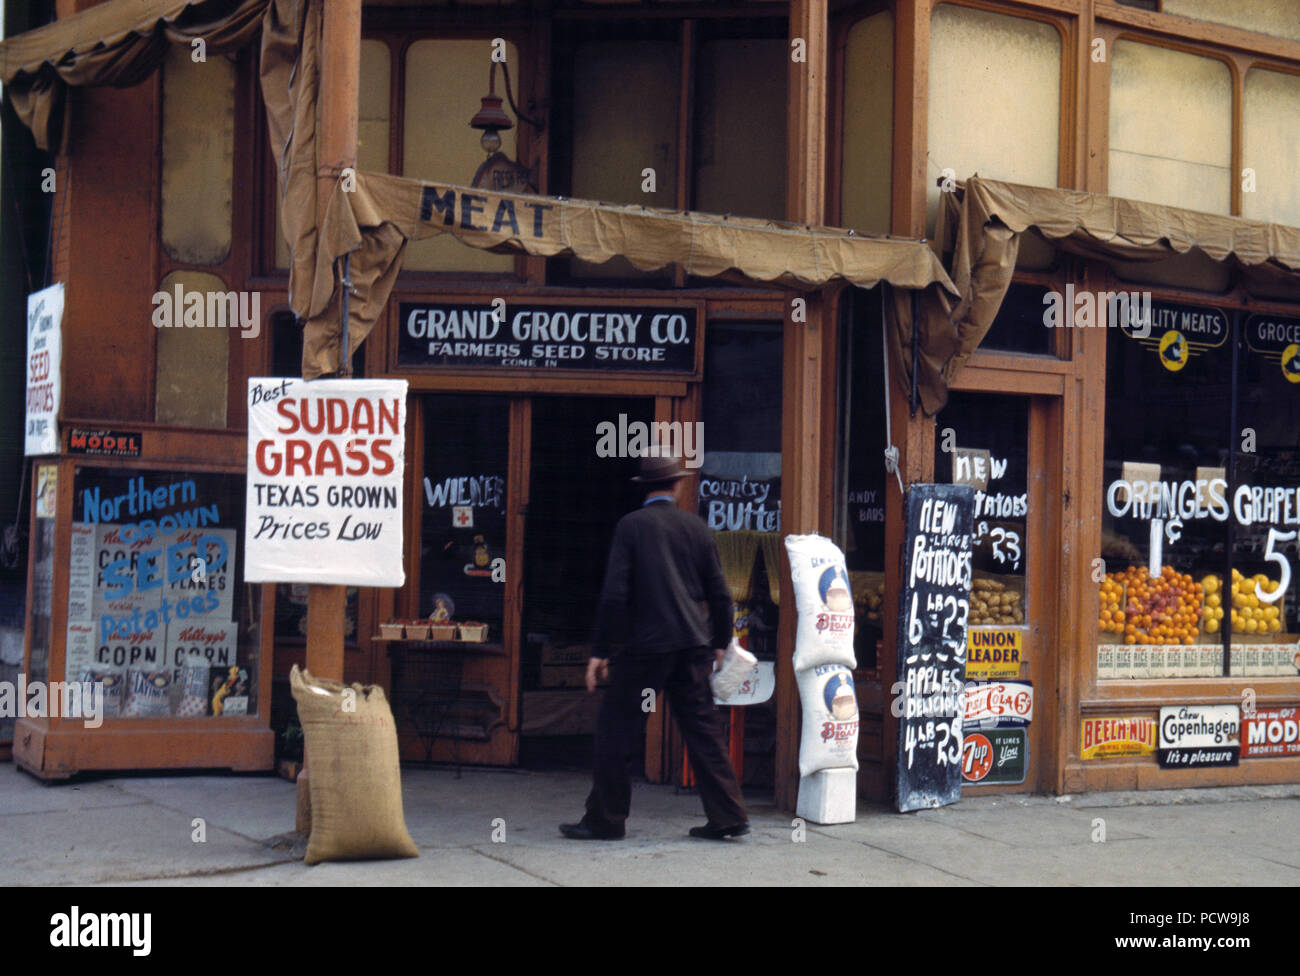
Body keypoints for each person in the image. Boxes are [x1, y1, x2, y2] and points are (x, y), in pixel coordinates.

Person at [560, 453, 749, 841]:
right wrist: (719, 642)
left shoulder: (632, 526)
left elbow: (614, 595)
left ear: (642, 487)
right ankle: (729, 815)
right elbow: (720, 593)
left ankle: (606, 820)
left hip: (646, 650)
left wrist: (598, 651)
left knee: (617, 731)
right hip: (692, 648)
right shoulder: (696, 528)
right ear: (677, 486)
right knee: (704, 731)